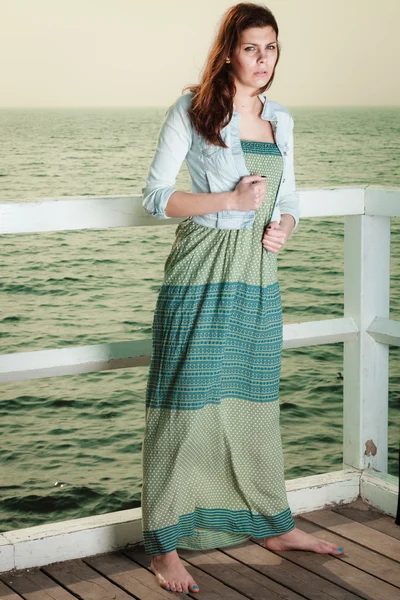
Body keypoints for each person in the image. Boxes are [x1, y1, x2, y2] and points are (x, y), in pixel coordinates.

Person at [140, 2, 344, 594]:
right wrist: (227, 202)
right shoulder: (194, 109)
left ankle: (271, 523)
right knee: (185, 406)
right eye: (253, 48)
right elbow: (156, 198)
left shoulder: (280, 117)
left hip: (258, 278)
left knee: (254, 408)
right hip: (201, 271)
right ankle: (165, 546)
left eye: (272, 47)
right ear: (229, 50)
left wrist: (285, 227)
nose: (263, 60)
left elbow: (292, 200)